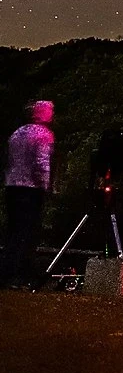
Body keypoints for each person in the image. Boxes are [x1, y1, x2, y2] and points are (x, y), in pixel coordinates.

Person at [1, 101, 56, 289]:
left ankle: (7, 272)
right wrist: (46, 186)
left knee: (13, 231)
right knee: (28, 232)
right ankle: (22, 274)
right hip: (30, 189)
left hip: (12, 186)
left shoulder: (17, 133)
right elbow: (42, 163)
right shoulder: (43, 135)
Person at [89, 126, 123, 257]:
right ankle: (104, 250)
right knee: (102, 223)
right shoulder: (98, 157)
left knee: (114, 223)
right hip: (101, 200)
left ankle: (113, 251)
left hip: (114, 200)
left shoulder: (120, 161)